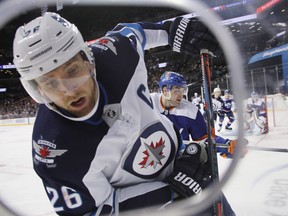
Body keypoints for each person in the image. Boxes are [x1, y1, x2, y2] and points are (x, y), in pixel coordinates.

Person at [13, 12, 219, 215]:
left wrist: (171, 31)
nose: (69, 90)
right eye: (50, 83)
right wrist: (172, 192)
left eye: (72, 70)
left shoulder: (115, 54)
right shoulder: (52, 152)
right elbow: (94, 211)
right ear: (37, 91)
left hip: (187, 165)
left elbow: (134, 32)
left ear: (88, 60)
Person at [150, 71, 249, 216]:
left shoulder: (190, 110)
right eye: (177, 90)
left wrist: (227, 146)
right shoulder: (148, 102)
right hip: (149, 167)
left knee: (213, 195)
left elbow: (204, 138)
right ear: (165, 90)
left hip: (178, 167)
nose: (181, 95)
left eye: (183, 90)